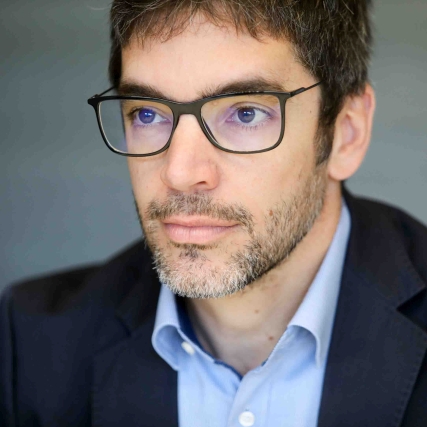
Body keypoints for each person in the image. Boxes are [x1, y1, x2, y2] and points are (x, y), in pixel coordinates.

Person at [1, 0, 427, 426]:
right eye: (147, 113)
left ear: (346, 133)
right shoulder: (33, 348)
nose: (180, 173)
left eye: (245, 113)